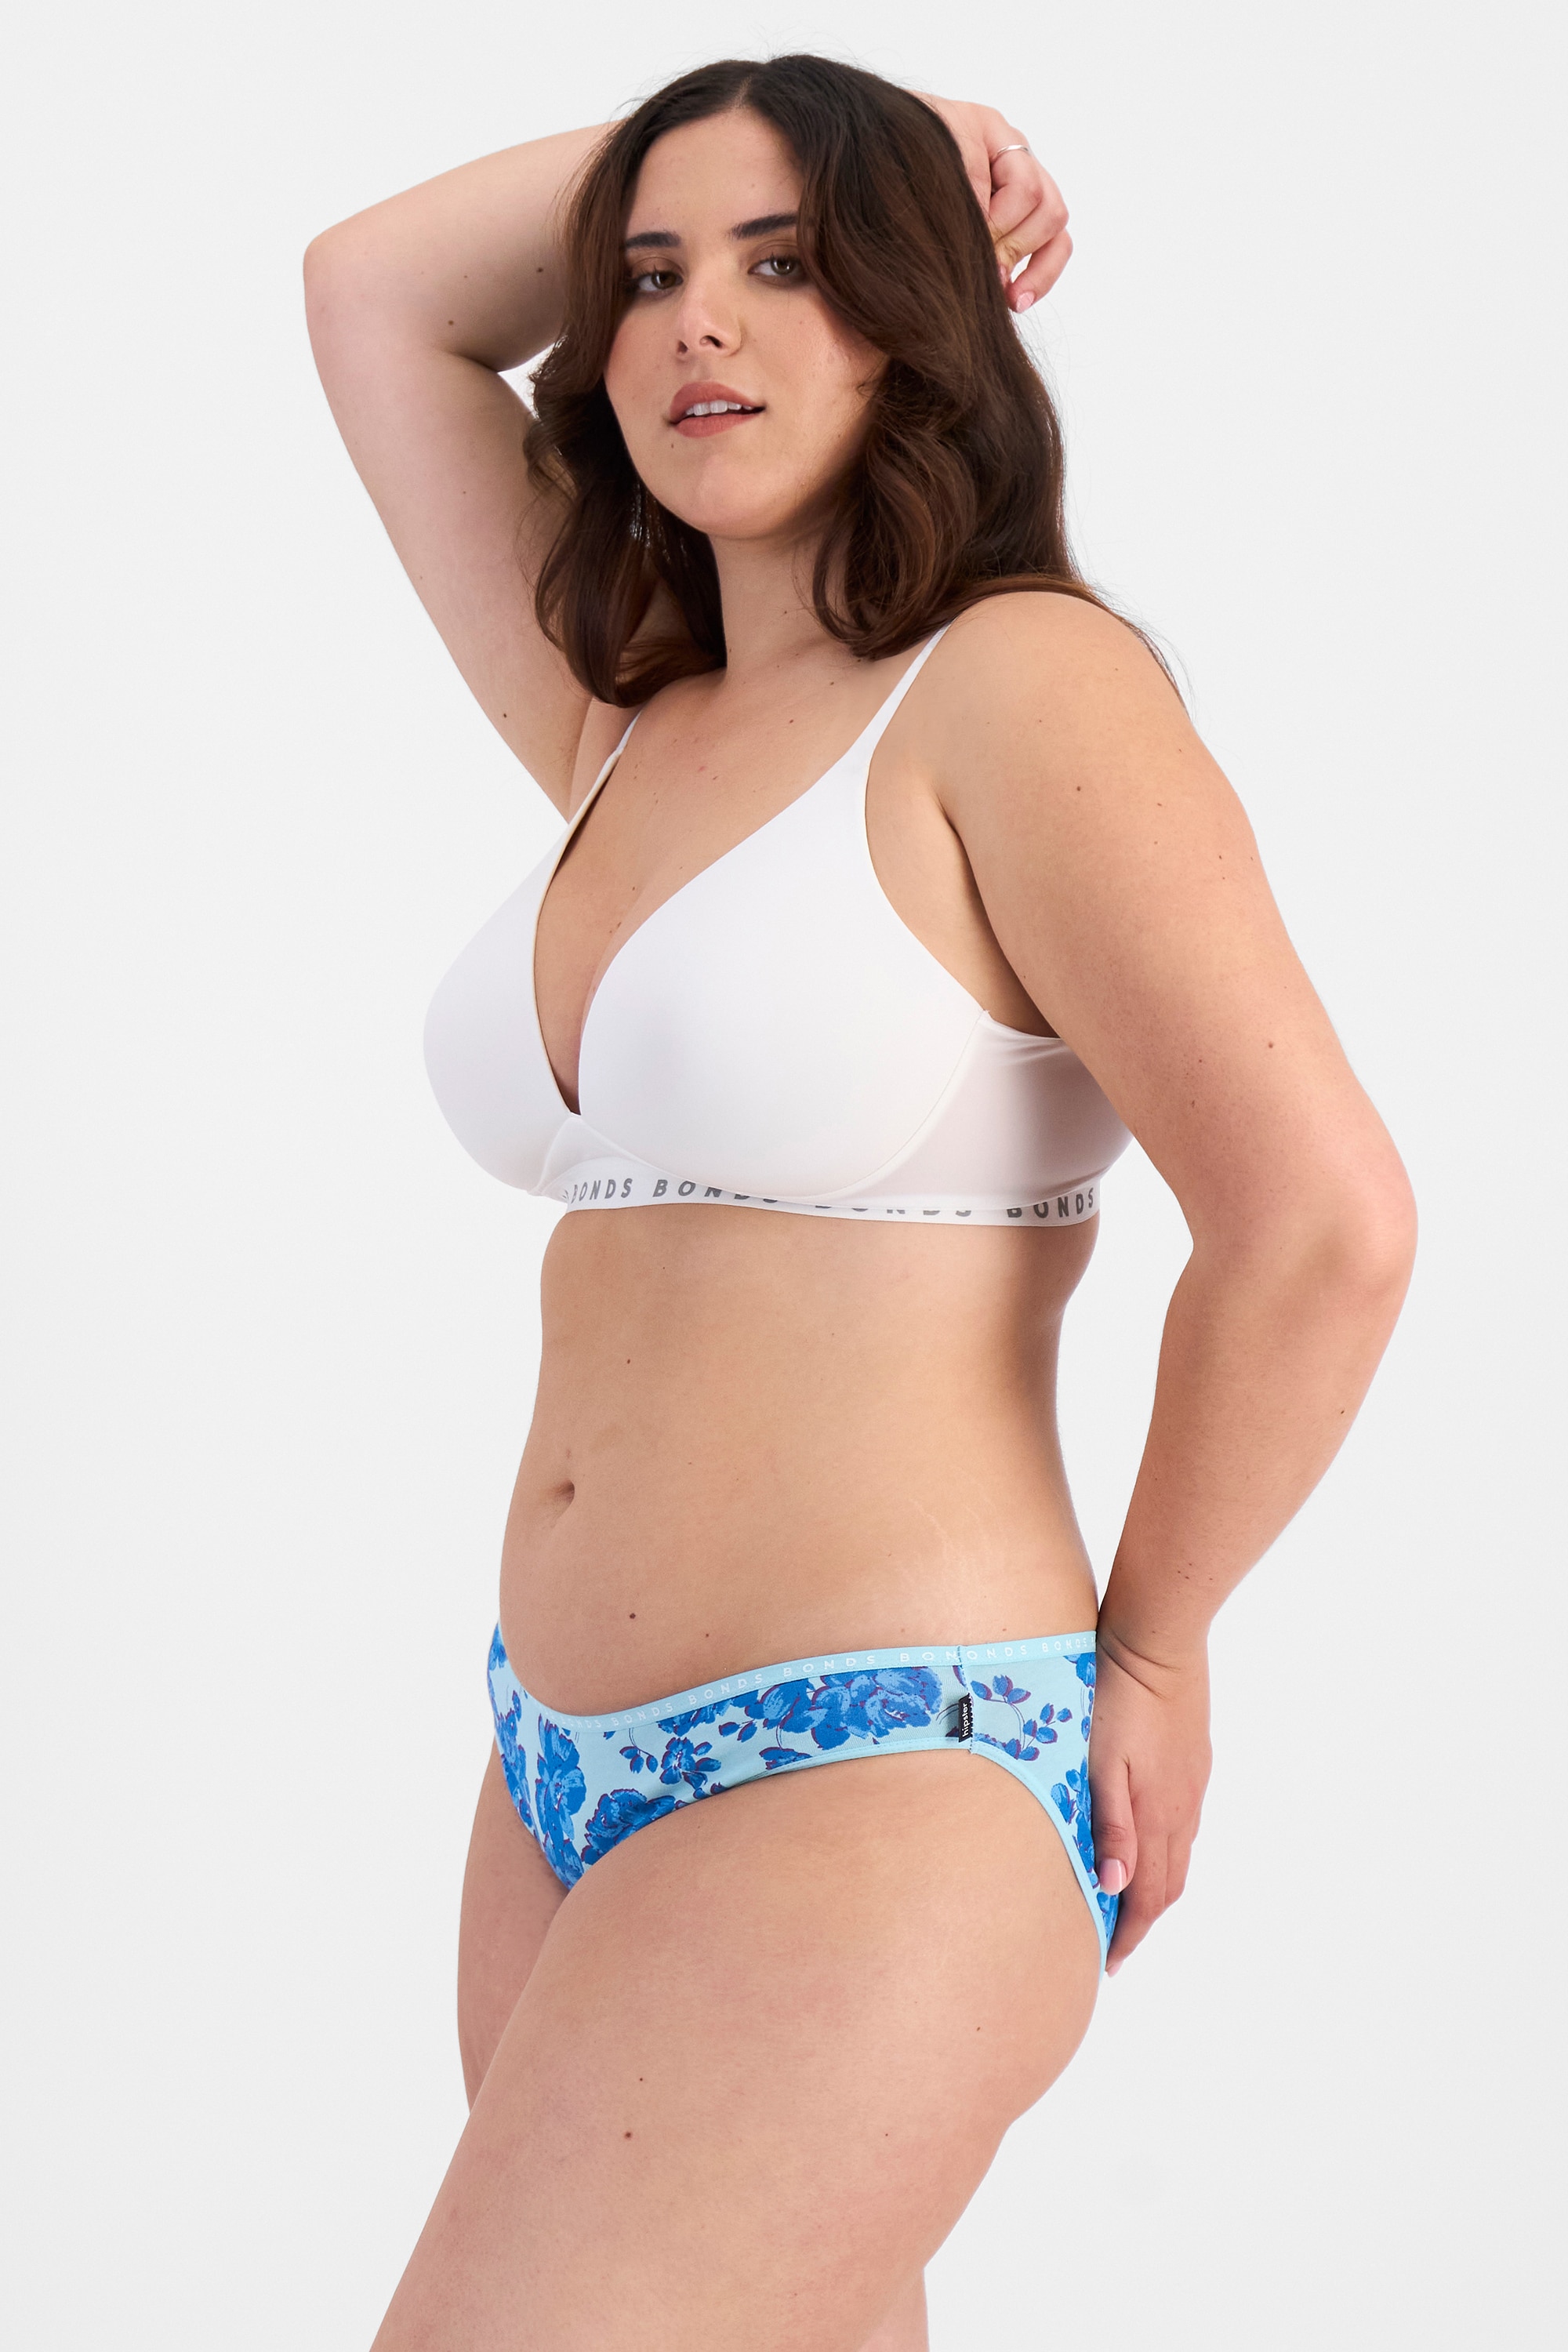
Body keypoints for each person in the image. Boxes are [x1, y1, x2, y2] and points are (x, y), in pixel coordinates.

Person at [305, 53, 1415, 2351]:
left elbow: (1325, 1220)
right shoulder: (623, 720)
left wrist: (1157, 1643)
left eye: (788, 263)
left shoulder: (1017, 688)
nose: (696, 322)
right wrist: (867, 108)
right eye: (645, 277)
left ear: (916, 316)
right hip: (556, 1773)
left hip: (878, 1762)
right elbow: (374, 289)